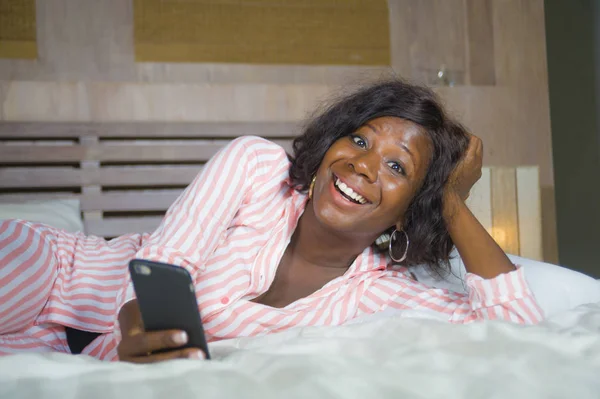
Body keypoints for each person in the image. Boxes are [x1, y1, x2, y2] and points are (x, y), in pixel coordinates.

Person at [0, 80, 543, 362]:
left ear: (410, 211)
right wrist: (137, 320)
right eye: (358, 139)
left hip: (51, 352)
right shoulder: (257, 167)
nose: (361, 164)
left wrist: (450, 199)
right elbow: (166, 265)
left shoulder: (379, 294)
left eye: (397, 167)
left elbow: (521, 335)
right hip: (50, 275)